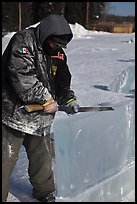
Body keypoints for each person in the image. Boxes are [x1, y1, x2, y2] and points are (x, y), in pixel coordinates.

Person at [2, 14, 79, 202]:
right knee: (5, 159)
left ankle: (44, 192)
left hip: (40, 117)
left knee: (42, 159)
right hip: (15, 113)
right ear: (46, 34)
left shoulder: (58, 52)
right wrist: (45, 99)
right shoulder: (23, 41)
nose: (56, 47)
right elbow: (21, 75)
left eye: (61, 44)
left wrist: (67, 98)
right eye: (54, 42)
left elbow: (61, 82)